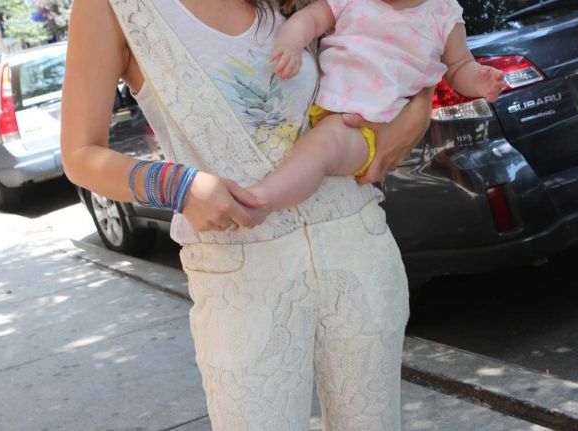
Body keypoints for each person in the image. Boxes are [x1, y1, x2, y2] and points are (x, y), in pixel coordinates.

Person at [61, 0, 433, 429]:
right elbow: (80, 155)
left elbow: (396, 42)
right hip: (242, 281)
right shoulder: (115, 7)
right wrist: (180, 185)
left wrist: (417, 109)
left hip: (357, 246)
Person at [247, 0, 506, 212]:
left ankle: (261, 200)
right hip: (327, 107)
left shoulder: (444, 13)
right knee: (318, 146)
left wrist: (477, 80)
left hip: (372, 129)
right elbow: (310, 20)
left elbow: (459, 66)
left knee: (322, 148)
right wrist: (290, 44)